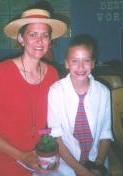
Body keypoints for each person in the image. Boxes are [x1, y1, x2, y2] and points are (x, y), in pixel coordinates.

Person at [0, 7, 67, 176]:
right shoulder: (1, 73)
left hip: (37, 153)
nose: (40, 41)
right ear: (21, 38)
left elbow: (52, 123)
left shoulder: (52, 74)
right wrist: (22, 156)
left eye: (45, 35)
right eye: (32, 35)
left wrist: (52, 151)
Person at [47, 34, 113, 176]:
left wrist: (98, 164)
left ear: (93, 63)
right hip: (66, 160)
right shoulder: (55, 91)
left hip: (96, 160)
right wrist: (81, 170)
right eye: (75, 61)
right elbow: (56, 137)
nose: (81, 67)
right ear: (66, 64)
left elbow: (105, 133)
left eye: (86, 61)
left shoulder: (103, 92)